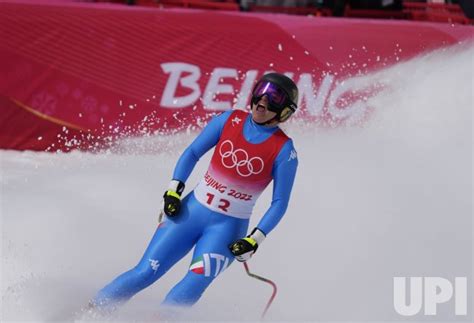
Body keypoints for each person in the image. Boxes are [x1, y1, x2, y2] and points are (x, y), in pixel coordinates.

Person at [90, 72, 299, 312]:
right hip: (190, 213)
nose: (262, 100)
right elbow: (192, 153)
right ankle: (90, 313)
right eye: (261, 91)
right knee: (145, 272)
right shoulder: (229, 120)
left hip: (226, 231)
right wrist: (173, 191)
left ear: (285, 110)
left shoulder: (284, 150)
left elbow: (280, 203)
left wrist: (254, 240)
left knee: (190, 287)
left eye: (274, 97)